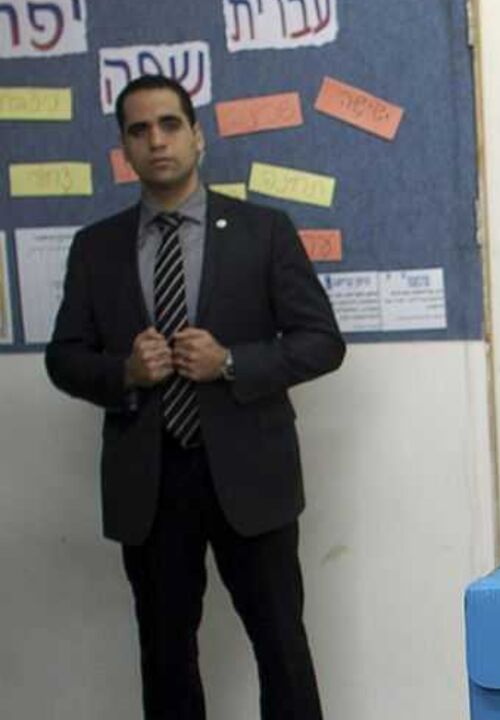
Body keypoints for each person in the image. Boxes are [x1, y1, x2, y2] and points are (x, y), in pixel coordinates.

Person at [45, 75, 344, 719]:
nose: (157, 140)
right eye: (139, 129)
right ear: (124, 147)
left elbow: (322, 341)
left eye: (170, 124)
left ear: (197, 136)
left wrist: (231, 361)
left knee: (282, 648)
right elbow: (63, 359)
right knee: (165, 654)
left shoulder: (264, 230)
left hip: (251, 479)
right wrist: (124, 372)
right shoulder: (96, 249)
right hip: (150, 485)